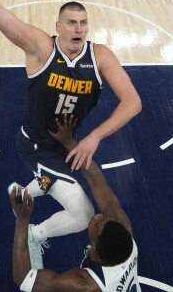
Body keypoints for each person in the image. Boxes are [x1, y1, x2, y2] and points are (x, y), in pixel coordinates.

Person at [0, 0, 142, 267]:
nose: (79, 29)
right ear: (58, 26)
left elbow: (133, 102)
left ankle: (22, 191)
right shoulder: (40, 48)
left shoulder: (99, 56)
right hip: (36, 144)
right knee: (84, 214)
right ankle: (36, 234)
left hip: (66, 141)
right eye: (71, 23)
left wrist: (95, 137)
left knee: (63, 180)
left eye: (84, 23)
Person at [10, 115, 139, 291]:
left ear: (93, 250)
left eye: (97, 223)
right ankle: (37, 234)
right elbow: (97, 182)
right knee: (84, 215)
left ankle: (32, 230)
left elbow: (23, 279)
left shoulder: (84, 285)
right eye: (104, 219)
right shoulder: (122, 228)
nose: (98, 216)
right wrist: (69, 142)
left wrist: (22, 220)